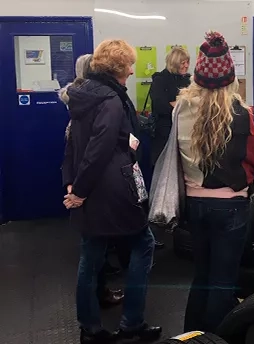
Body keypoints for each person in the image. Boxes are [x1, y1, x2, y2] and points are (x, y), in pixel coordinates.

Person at [61, 39, 161, 344]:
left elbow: (73, 143)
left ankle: (90, 329)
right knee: (144, 244)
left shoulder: (82, 95)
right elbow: (99, 148)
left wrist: (72, 181)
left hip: (91, 188)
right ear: (118, 68)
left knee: (91, 256)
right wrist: (79, 190)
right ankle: (132, 323)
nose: (132, 71)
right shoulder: (111, 100)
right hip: (112, 188)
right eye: (129, 65)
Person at [176, 31, 254, 332]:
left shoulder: (181, 109)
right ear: (230, 77)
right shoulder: (240, 113)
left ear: (197, 76)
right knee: (222, 281)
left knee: (201, 275)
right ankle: (216, 338)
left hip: (194, 204)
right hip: (230, 207)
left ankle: (191, 334)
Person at [59, 53, 125, 310]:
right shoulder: (103, 102)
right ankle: (90, 319)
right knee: (92, 253)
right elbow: (94, 151)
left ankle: (96, 302)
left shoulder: (77, 102)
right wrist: (79, 190)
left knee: (92, 250)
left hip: (83, 183)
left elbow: (72, 149)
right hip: (92, 186)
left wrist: (71, 183)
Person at [148, 46, 191, 250]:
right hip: (163, 136)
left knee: (183, 179)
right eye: (183, 62)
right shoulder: (160, 80)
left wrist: (177, 103)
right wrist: (179, 104)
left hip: (184, 135)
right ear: (174, 62)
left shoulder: (188, 80)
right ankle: (156, 226)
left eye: (187, 62)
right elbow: (160, 106)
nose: (186, 66)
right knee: (162, 180)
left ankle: (179, 222)